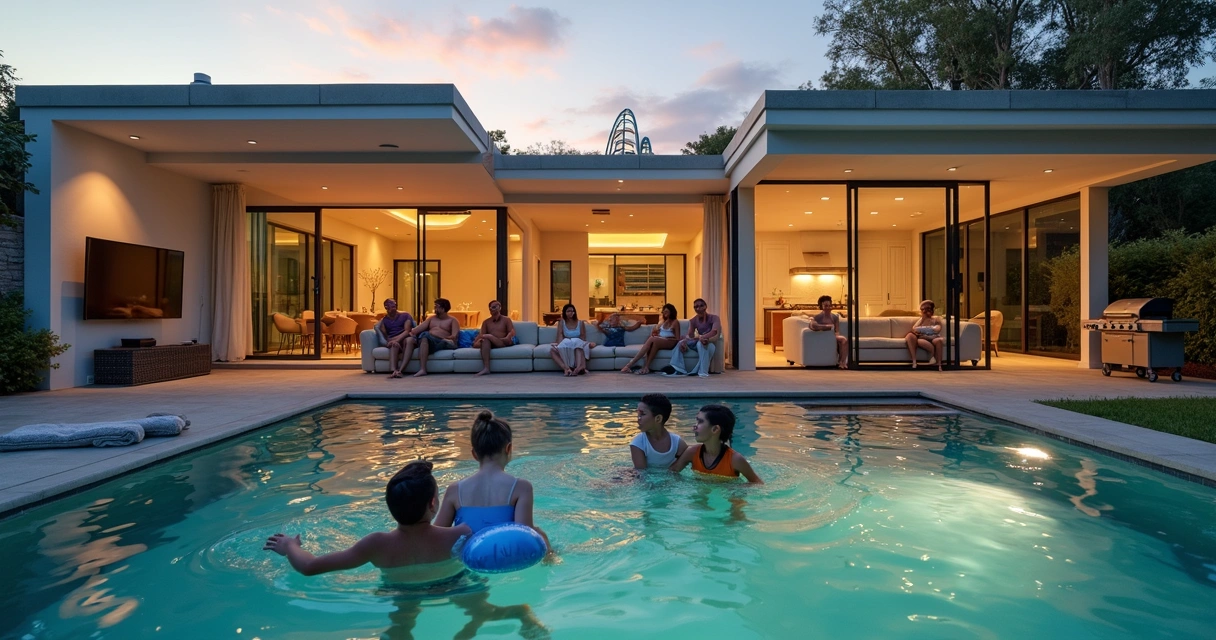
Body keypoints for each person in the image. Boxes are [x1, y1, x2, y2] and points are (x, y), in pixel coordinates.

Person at [263, 460, 472, 579]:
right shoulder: (459, 534)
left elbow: (309, 566)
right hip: (450, 587)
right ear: (433, 503)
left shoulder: (376, 544)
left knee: (401, 622)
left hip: (402, 594)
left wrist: (290, 546)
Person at [434, 410, 551, 551]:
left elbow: (435, 537)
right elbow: (523, 539)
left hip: (467, 559)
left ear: (474, 454)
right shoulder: (521, 488)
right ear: (509, 448)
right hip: (505, 559)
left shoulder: (454, 491)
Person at [670, 404, 763, 483]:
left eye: (700, 422)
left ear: (715, 429)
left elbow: (757, 483)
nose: (694, 427)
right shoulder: (692, 452)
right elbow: (671, 473)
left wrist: (736, 489)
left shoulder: (735, 460)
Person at [402, 298, 460, 377]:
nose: (434, 309)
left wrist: (436, 335)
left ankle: (422, 368)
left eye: (436, 307)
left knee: (425, 335)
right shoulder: (431, 319)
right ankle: (422, 369)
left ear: (443, 308)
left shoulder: (453, 320)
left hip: (444, 342)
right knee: (424, 337)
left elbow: (454, 337)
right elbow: (416, 330)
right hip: (430, 340)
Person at [630, 393, 688, 470]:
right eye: (638, 414)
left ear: (658, 419)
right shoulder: (638, 444)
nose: (638, 418)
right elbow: (641, 474)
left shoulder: (678, 444)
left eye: (642, 414)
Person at [620, 303, 680, 375]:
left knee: (652, 339)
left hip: (670, 342)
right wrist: (656, 333)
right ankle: (646, 367)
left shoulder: (675, 322)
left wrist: (665, 337)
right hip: (660, 341)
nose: (664, 313)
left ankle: (630, 364)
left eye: (666, 311)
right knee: (653, 343)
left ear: (671, 312)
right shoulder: (663, 322)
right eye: (663, 312)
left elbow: (677, 338)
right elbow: (657, 332)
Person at [667, 298, 721, 377]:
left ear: (705, 307)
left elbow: (715, 333)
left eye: (701, 306)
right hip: (698, 342)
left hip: (710, 344)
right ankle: (679, 369)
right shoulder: (693, 320)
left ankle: (703, 372)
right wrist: (684, 342)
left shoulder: (714, 318)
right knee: (680, 343)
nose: (698, 309)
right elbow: (690, 336)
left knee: (701, 344)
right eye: (696, 307)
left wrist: (704, 338)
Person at [548, 304, 594, 376]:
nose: (571, 313)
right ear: (565, 313)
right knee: (552, 350)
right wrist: (559, 345)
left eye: (572, 311)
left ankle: (578, 368)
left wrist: (584, 344)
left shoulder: (581, 323)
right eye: (568, 311)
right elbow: (560, 335)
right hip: (567, 342)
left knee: (578, 346)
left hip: (577, 342)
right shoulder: (562, 322)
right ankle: (566, 368)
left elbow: (582, 336)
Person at [473, 300, 516, 377]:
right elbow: (482, 335)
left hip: (502, 342)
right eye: (490, 308)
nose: (491, 309)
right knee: (485, 340)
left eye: (494, 307)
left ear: (499, 308)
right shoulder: (486, 322)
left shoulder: (506, 320)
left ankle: (489, 337)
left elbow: (511, 332)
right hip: (490, 343)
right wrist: (480, 340)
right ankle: (486, 368)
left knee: (487, 337)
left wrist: (507, 338)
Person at [378, 298, 416, 379]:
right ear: (386, 308)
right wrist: (391, 341)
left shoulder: (405, 315)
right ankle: (394, 371)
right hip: (394, 339)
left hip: (405, 337)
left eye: (394, 305)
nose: (394, 307)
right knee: (393, 345)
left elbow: (407, 331)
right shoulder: (384, 320)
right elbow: (386, 336)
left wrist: (397, 340)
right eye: (391, 306)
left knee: (409, 340)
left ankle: (401, 370)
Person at [808, 295, 848, 369]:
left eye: (830, 306)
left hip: (833, 336)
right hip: (822, 336)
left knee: (844, 340)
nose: (828, 308)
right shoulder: (818, 317)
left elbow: (837, 331)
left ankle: (842, 362)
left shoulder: (835, 317)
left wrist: (835, 335)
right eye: (826, 306)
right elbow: (813, 326)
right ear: (821, 306)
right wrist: (828, 327)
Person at [905, 299, 944, 370]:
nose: (925, 311)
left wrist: (926, 330)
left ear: (932, 309)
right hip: (923, 338)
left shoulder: (936, 319)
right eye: (922, 309)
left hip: (934, 337)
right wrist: (923, 320)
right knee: (920, 341)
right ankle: (931, 356)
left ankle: (939, 364)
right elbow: (914, 328)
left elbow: (937, 329)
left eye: (927, 309)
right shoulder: (921, 320)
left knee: (939, 340)